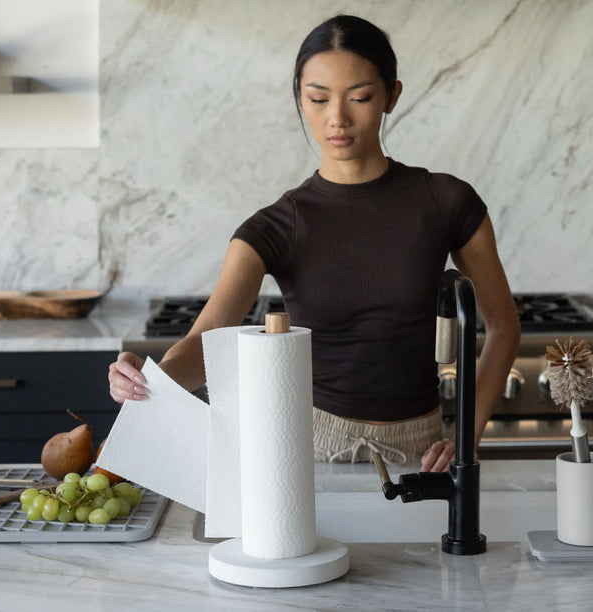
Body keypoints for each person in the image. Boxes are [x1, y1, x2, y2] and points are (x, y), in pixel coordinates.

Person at [108, 15, 521, 473]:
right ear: (299, 98)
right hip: (306, 446)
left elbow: (503, 326)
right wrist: (146, 377)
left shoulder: (446, 201)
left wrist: (466, 436)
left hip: (422, 450)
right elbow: (204, 343)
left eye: (360, 97)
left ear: (392, 96)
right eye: (318, 98)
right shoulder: (275, 226)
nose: (337, 118)